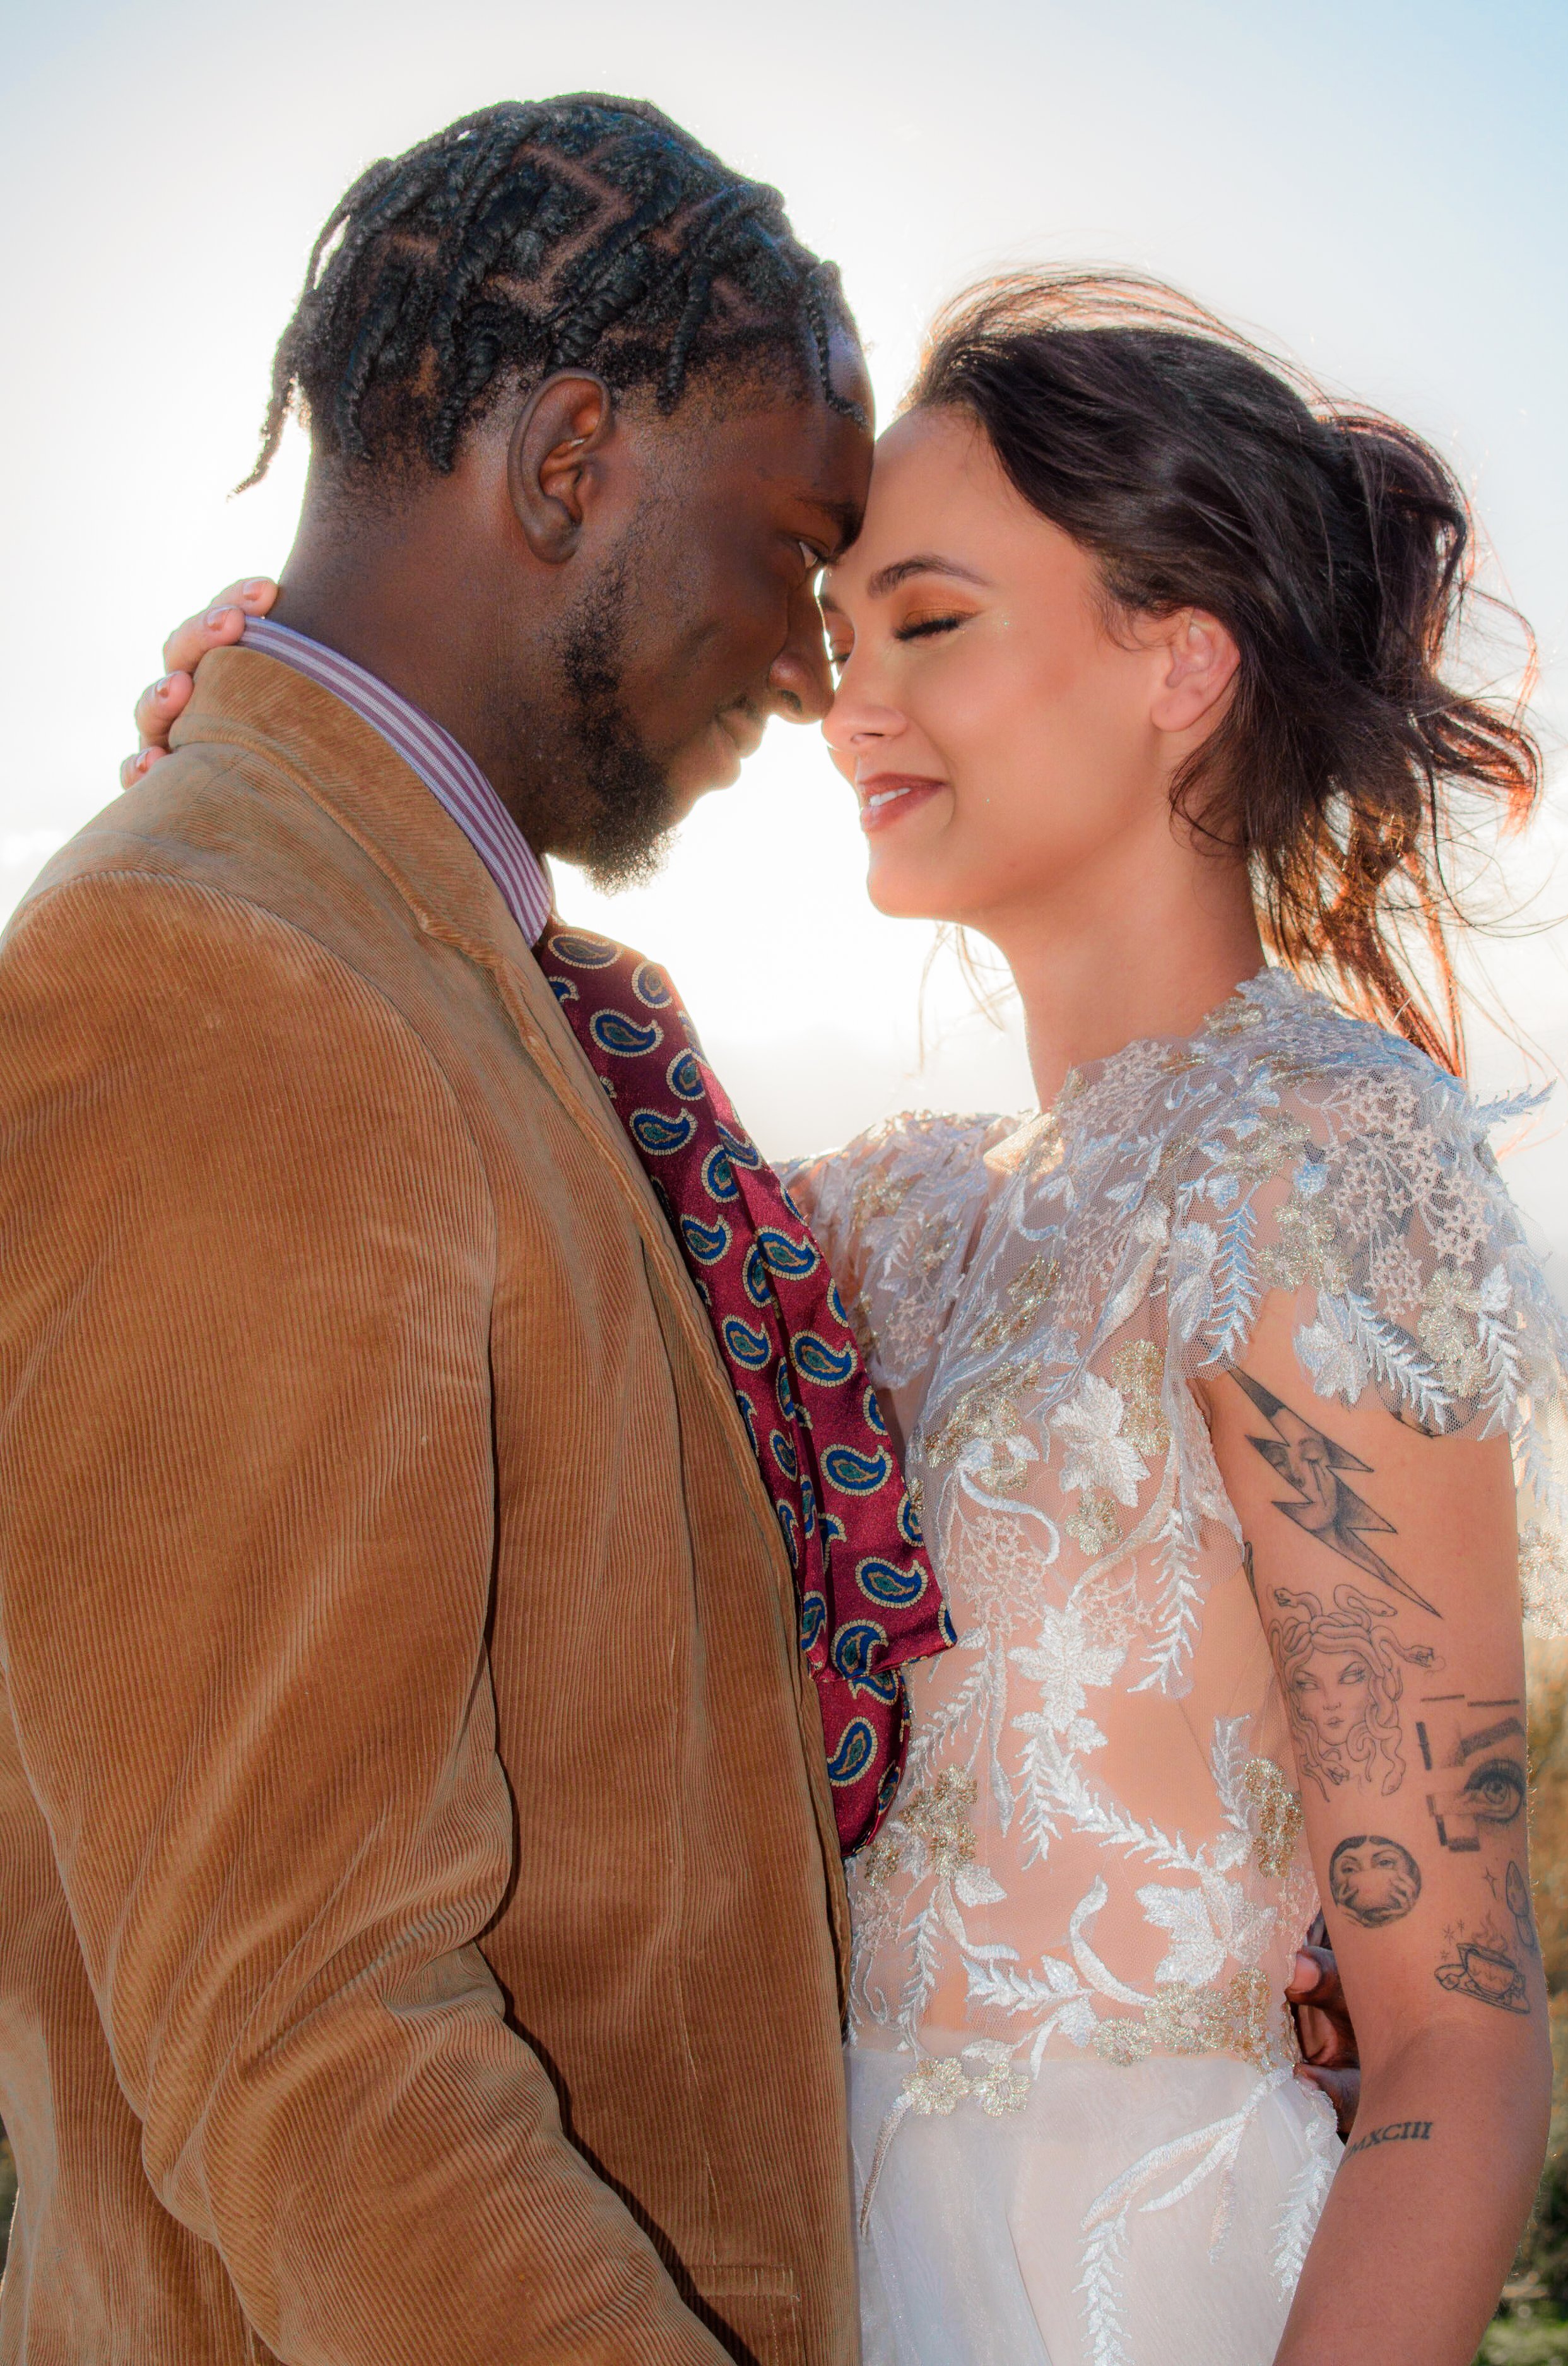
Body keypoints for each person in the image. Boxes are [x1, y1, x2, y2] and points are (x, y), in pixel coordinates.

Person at [0, 95, 923, 2366]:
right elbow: (308, 2031)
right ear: (570, 463)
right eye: (794, 551)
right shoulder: (227, 982)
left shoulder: (413, 955)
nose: (813, 667)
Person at [779, 273, 1568, 2365]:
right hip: (789, 2259)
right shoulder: (881, 1212)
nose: (850, 704)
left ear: (1178, 662)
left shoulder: (1317, 1160)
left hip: (1125, 2289)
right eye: (836, 641)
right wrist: (297, 732)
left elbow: (1454, 2049)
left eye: (926, 624)